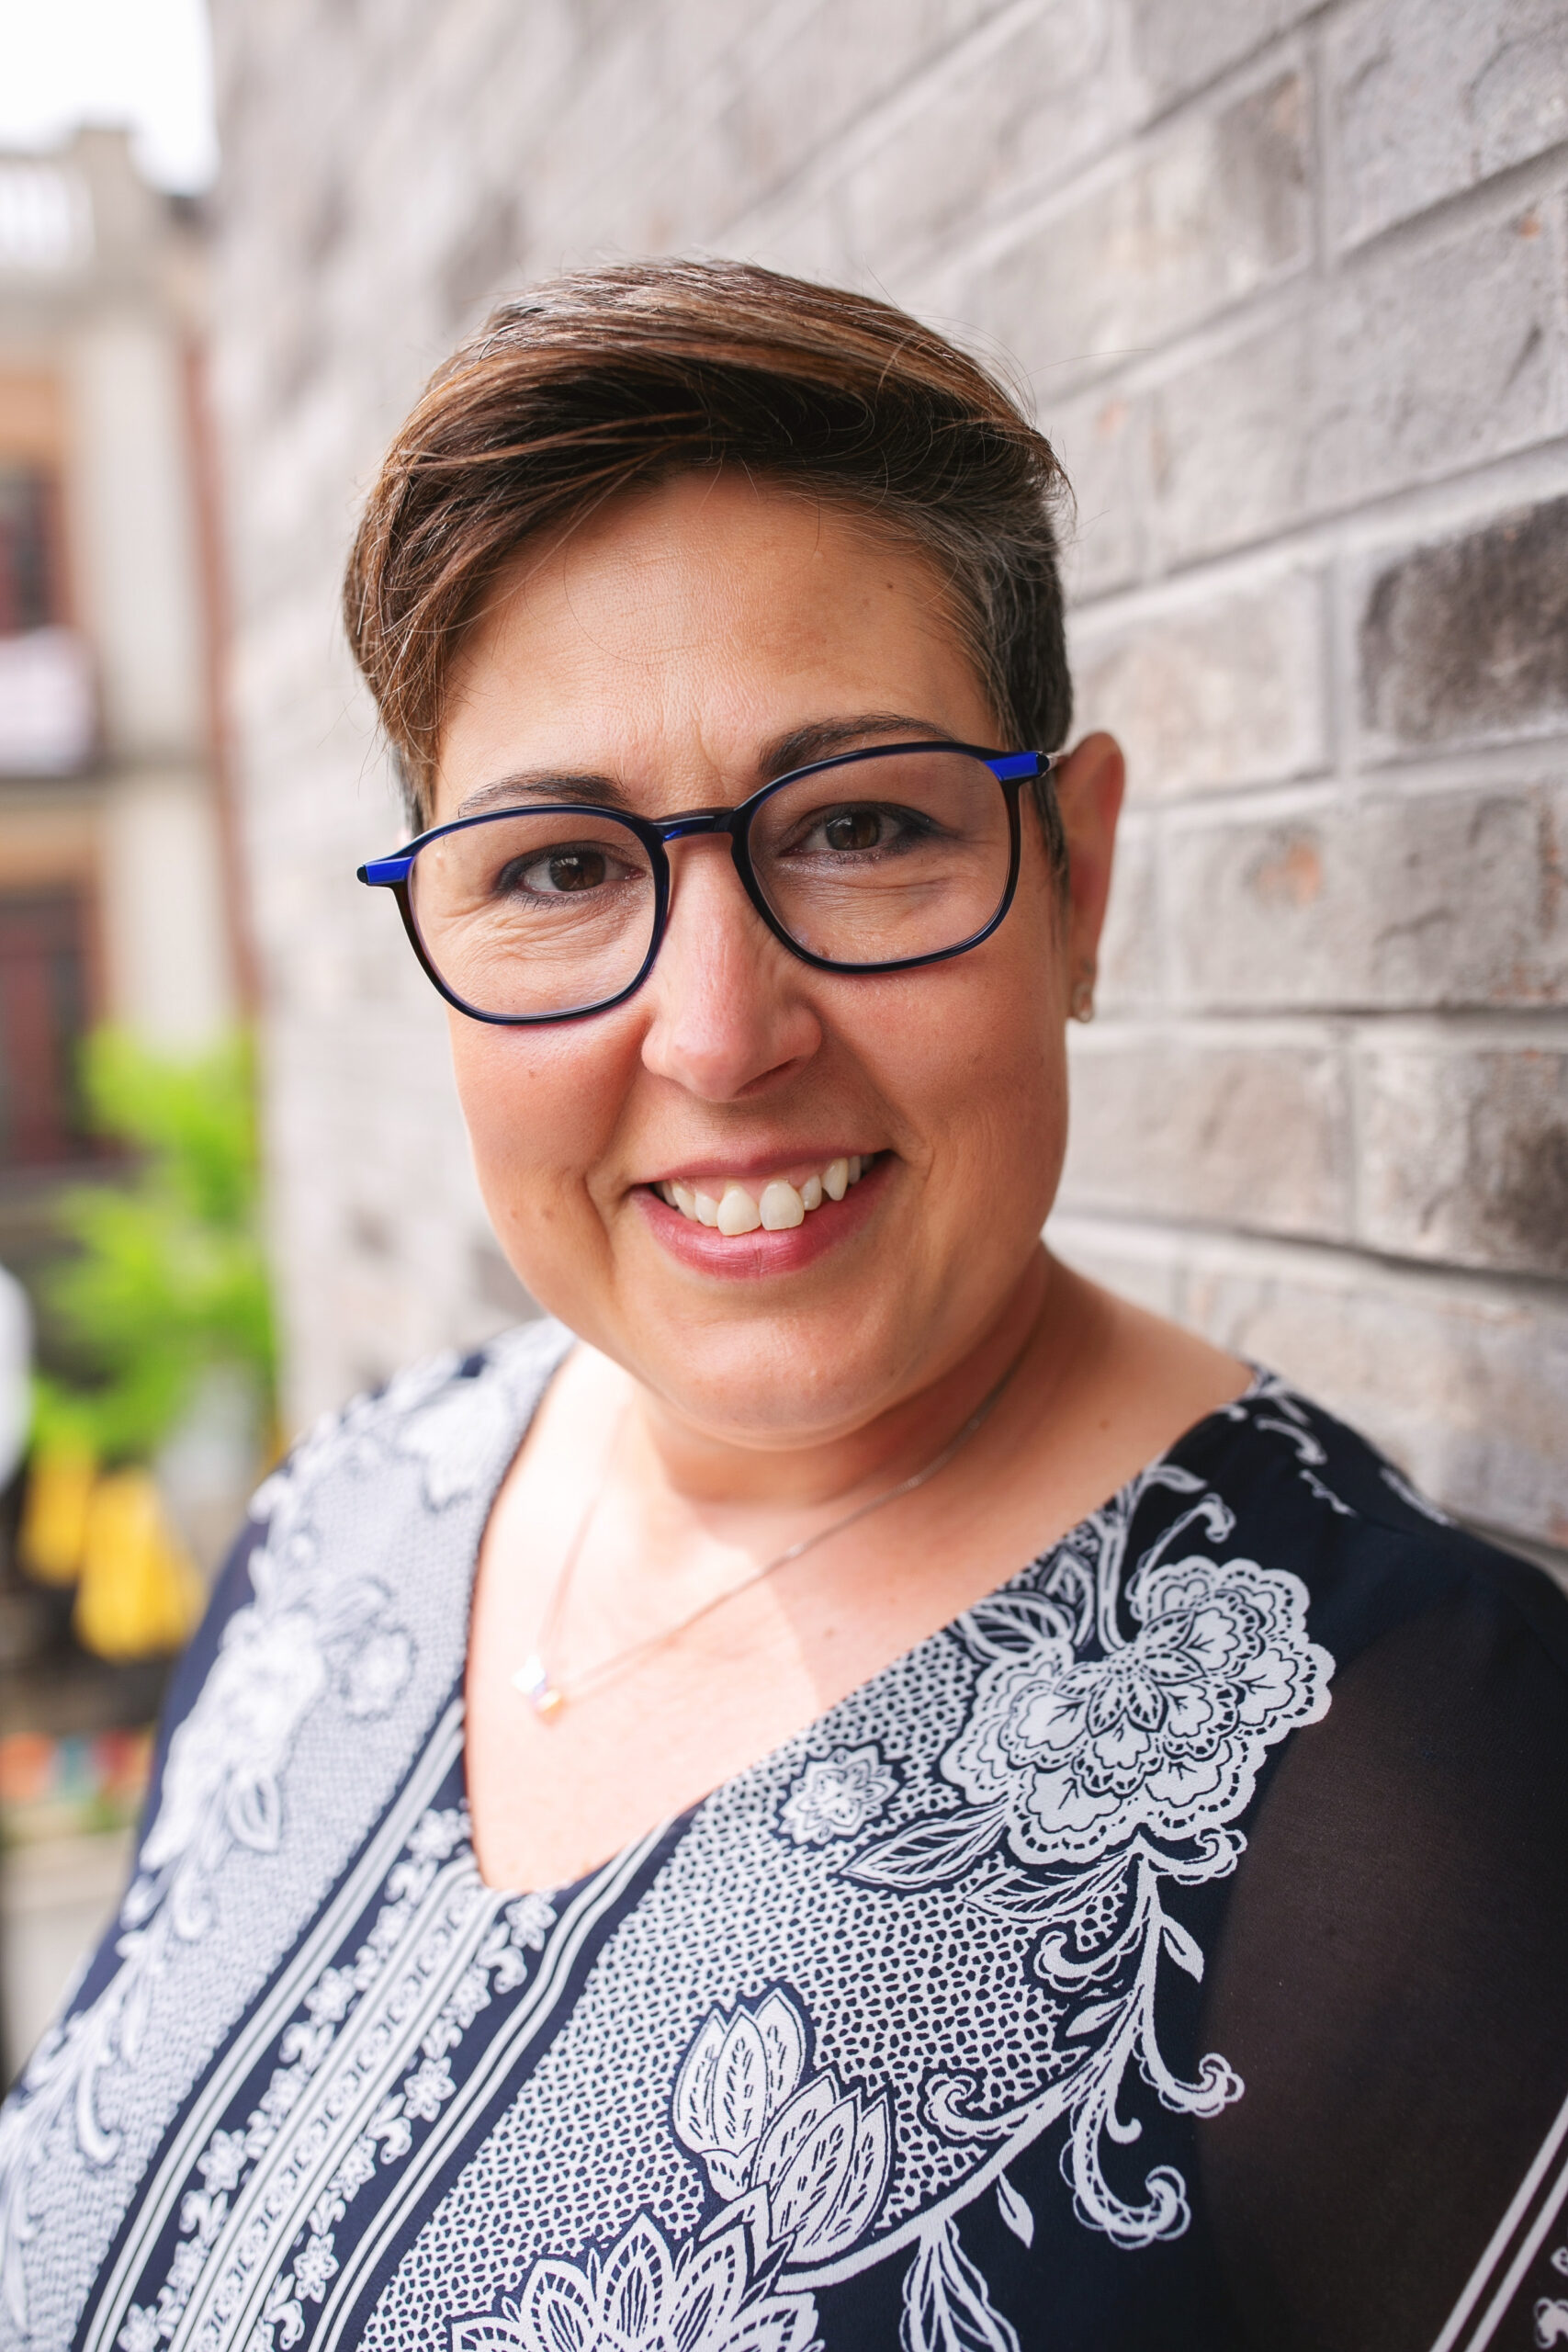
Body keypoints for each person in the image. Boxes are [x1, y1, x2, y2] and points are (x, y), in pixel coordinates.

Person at [4, 260, 1565, 2352]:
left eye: (855, 827)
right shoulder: (334, 1531)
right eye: (557, 867)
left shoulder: (1414, 1770)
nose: (720, 1031)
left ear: (1071, 881)